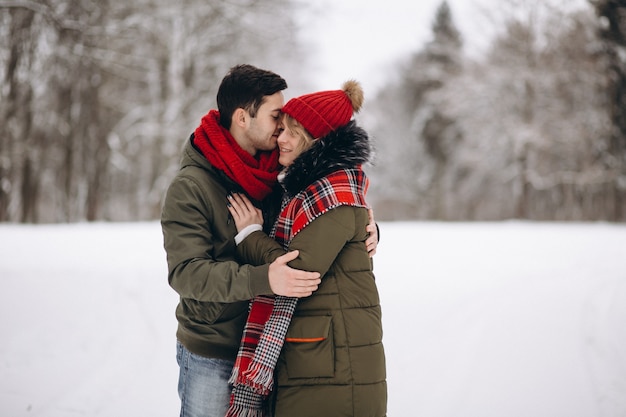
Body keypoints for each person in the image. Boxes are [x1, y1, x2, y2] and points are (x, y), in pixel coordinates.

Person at [161, 65, 379, 417]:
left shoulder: (280, 174)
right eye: (276, 116)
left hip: (268, 347)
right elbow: (186, 273)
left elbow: (325, 209)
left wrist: (365, 227)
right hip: (215, 350)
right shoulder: (191, 187)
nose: (282, 128)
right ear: (242, 118)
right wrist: (264, 278)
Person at [225, 80, 387, 417]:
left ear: (314, 139)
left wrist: (251, 234)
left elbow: (296, 270)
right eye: (280, 127)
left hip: (333, 364)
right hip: (318, 357)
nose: (279, 138)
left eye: (290, 131)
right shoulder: (311, 190)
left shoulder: (334, 194)